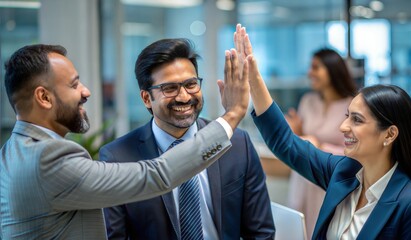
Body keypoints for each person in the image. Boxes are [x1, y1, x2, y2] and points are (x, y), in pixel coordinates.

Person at [0, 43, 250, 239]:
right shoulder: (47, 160)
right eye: (74, 85)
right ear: (44, 97)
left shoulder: (12, 152)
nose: (86, 92)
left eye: (191, 84)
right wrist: (233, 114)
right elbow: (157, 175)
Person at [235, 24, 411, 239]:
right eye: (347, 116)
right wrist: (254, 79)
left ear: (390, 134)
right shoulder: (343, 172)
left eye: (357, 120)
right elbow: (285, 142)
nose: (343, 127)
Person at [100, 38, 275, 240]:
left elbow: (261, 233)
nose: (184, 97)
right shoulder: (118, 158)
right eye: (170, 88)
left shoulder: (237, 144)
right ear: (147, 98)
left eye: (191, 84)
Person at [285, 48, 356, 238]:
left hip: (331, 178)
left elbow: (356, 151)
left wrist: (318, 145)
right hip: (303, 176)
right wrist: (298, 133)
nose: (310, 72)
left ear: (332, 70)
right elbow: (303, 139)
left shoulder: (353, 105)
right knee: (299, 229)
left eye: (316, 67)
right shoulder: (307, 101)